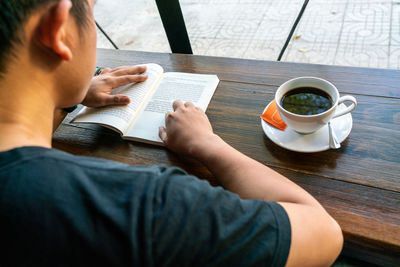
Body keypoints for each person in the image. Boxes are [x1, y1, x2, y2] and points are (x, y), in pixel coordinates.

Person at [0, 0, 343, 266]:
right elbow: (323, 234)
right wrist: (207, 144)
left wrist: (62, 94)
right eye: (91, 9)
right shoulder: (144, 207)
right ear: (58, 31)